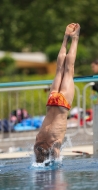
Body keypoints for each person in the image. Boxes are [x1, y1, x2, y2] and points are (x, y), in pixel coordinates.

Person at [34, 23, 80, 163]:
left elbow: (54, 156)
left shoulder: (53, 143)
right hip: (52, 100)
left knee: (68, 69)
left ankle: (75, 38)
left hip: (62, 104)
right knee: (60, 69)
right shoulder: (38, 143)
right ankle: (65, 38)